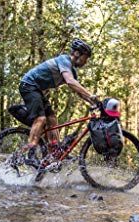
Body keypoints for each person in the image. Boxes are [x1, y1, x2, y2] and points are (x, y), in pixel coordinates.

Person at [18, 38, 99, 166]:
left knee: (52, 118)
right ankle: (31, 151)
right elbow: (70, 82)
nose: (85, 61)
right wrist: (91, 95)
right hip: (28, 85)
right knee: (41, 118)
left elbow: (78, 91)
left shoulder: (71, 70)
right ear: (77, 54)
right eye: (85, 57)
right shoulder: (64, 60)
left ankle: (54, 150)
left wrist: (95, 103)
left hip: (37, 89)